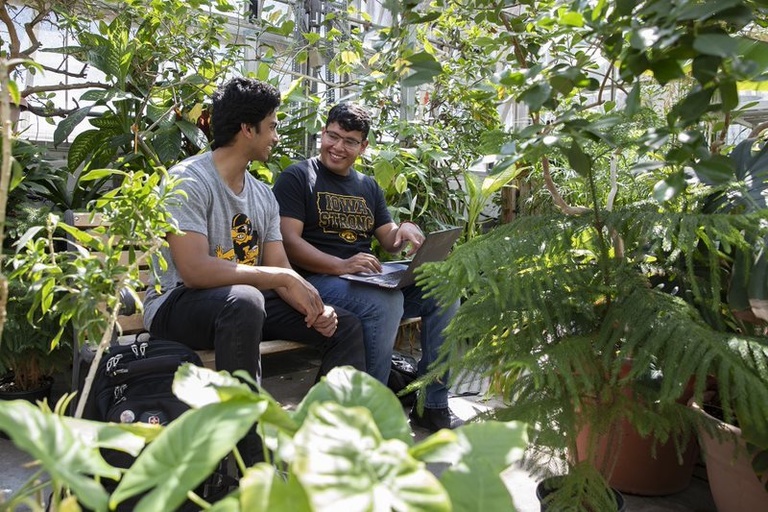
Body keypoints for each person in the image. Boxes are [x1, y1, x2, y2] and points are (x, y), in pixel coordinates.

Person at [142, 77, 366, 394]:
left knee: (344, 326)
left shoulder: (262, 195)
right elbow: (194, 271)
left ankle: (322, 431)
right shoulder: (188, 181)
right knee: (246, 299)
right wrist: (282, 278)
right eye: (271, 126)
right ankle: (247, 436)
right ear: (248, 129)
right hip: (177, 305)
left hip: (243, 306)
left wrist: (313, 309)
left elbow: (278, 265)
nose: (276, 136)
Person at [272, 102, 462, 432]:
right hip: (317, 280)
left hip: (360, 279)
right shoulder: (298, 177)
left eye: (349, 141)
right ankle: (372, 417)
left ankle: (433, 403)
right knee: (384, 303)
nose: (338, 146)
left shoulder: (367, 186)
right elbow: (289, 242)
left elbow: (388, 239)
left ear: (363, 147)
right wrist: (341, 264)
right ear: (322, 133)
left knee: (443, 289)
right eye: (333, 136)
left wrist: (403, 230)